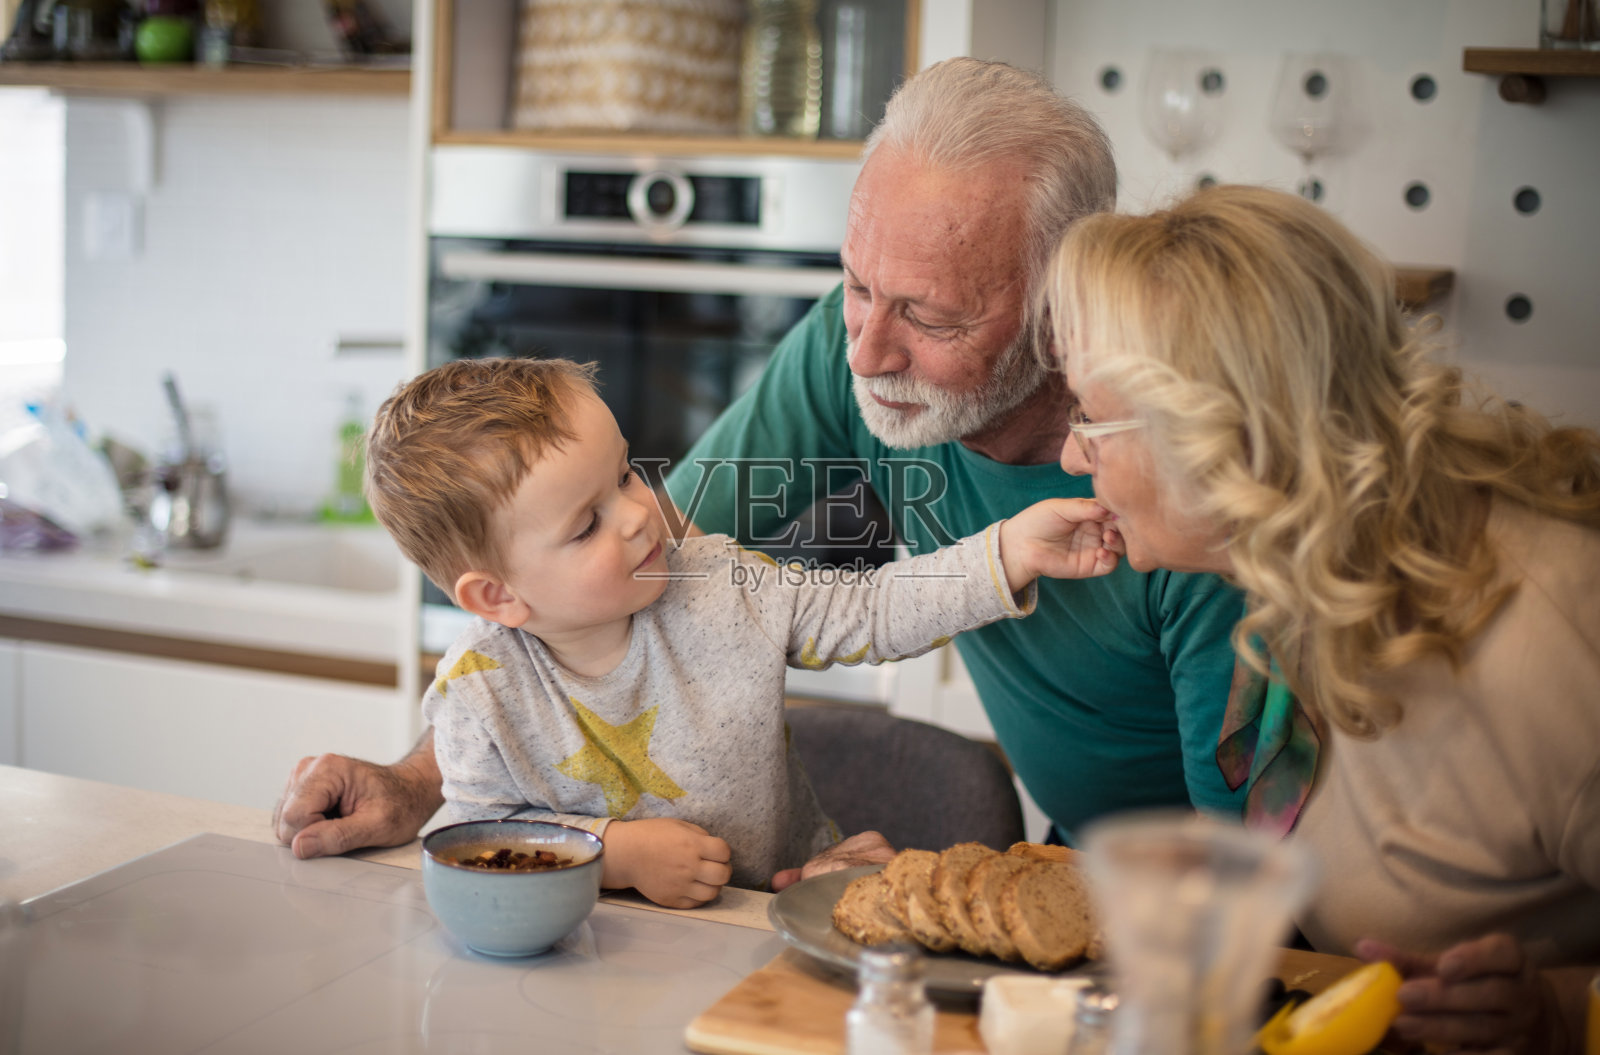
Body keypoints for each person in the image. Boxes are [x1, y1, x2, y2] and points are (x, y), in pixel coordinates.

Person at [274, 57, 1248, 871]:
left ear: (1058, 306)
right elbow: (603, 597)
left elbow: (1249, 868)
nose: (866, 351)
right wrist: (414, 785)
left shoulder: (1178, 480)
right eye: (858, 285)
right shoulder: (850, 348)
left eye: (930, 315)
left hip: (1194, 882)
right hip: (1076, 852)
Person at [1045, 183, 1599, 1053]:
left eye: (1090, 417)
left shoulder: (1555, 642)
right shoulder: (1306, 564)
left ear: (1227, 443)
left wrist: (1558, 1012)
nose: (1072, 452)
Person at [362, 356, 1122, 907]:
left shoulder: (719, 581)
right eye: (586, 523)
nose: (636, 514)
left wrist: (1009, 553)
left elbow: (871, 609)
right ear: (497, 594)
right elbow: (479, 845)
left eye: (626, 475)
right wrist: (611, 855)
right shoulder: (478, 690)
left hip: (777, 917)